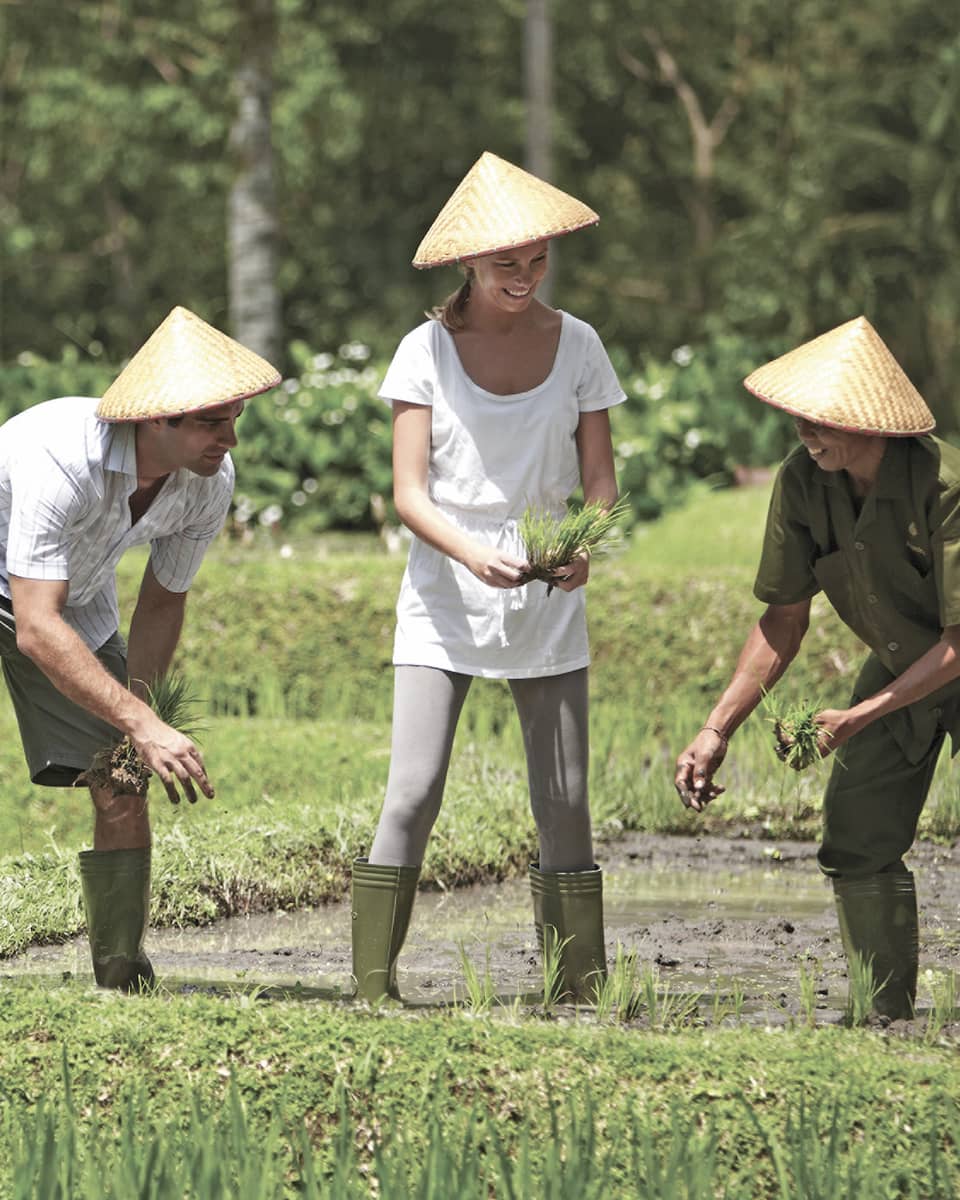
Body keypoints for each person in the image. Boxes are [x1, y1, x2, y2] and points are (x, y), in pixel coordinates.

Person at [351, 151, 625, 1004]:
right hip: (443, 592)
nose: (527, 276)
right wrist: (470, 553)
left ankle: (576, 991)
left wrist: (583, 545)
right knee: (414, 790)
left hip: (545, 592)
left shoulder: (578, 343)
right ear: (467, 261)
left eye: (538, 259)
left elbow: (603, 486)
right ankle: (370, 990)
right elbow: (408, 493)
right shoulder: (423, 350)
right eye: (509, 262)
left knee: (566, 801)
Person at [674, 314, 960, 1020]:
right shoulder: (803, 483)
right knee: (857, 831)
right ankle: (883, 1015)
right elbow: (783, 619)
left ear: (876, 423)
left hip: (944, 655)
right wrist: (717, 729)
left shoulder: (944, 484)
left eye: (824, 421)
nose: (807, 432)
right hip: (904, 666)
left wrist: (859, 715)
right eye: (799, 418)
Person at [0, 306, 279, 991]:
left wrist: (140, 728)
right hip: (33, 598)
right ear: (159, 418)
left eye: (235, 418)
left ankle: (119, 975)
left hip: (71, 596)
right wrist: (142, 721)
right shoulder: (62, 457)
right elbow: (34, 624)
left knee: (122, 778)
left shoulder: (207, 483)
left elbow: (162, 599)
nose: (230, 437)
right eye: (214, 422)